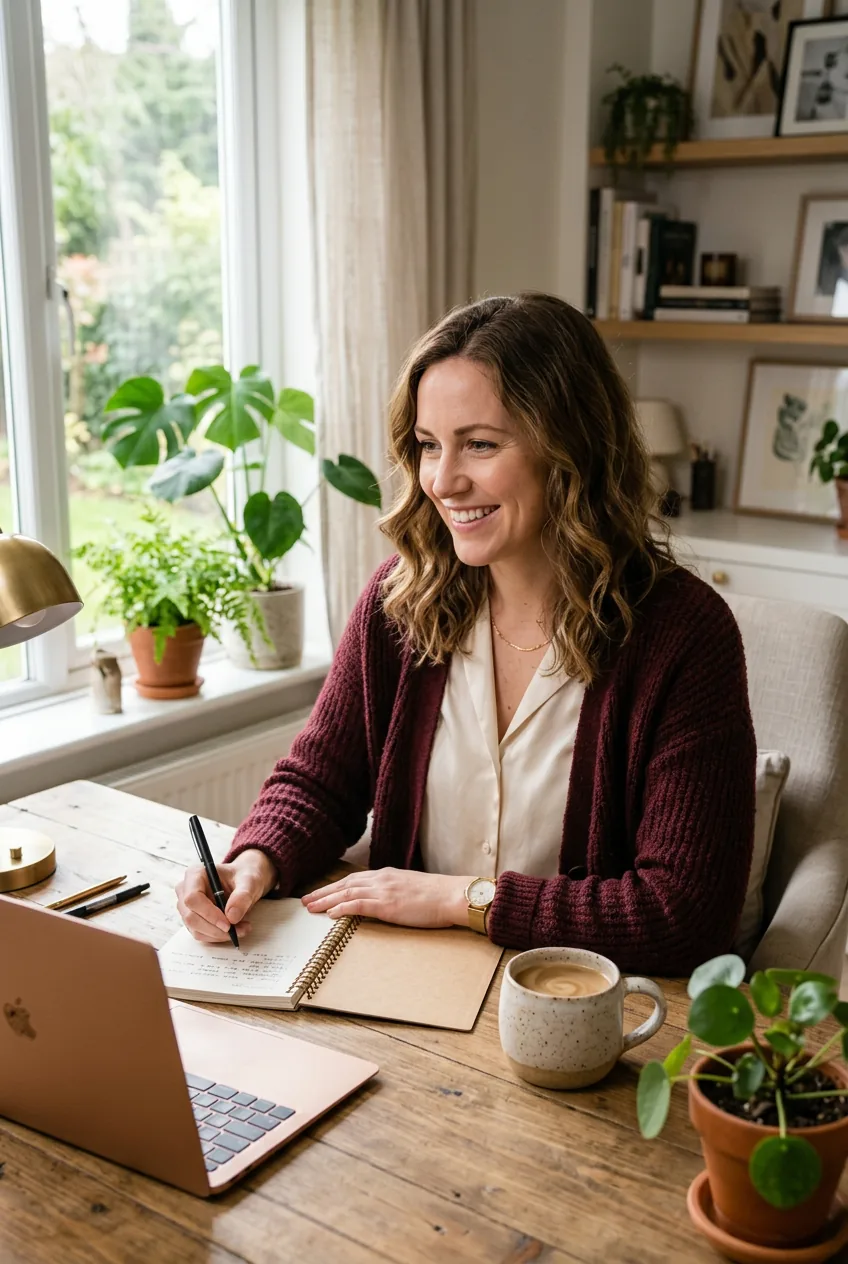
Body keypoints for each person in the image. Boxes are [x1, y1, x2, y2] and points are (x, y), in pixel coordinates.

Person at [176, 293, 756, 975]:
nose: (443, 481)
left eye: (479, 444)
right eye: (427, 445)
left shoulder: (683, 635)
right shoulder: (402, 599)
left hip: (587, 1007)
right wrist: (254, 861)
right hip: (407, 984)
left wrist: (466, 901)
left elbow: (682, 913)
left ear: (571, 447)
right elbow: (321, 779)